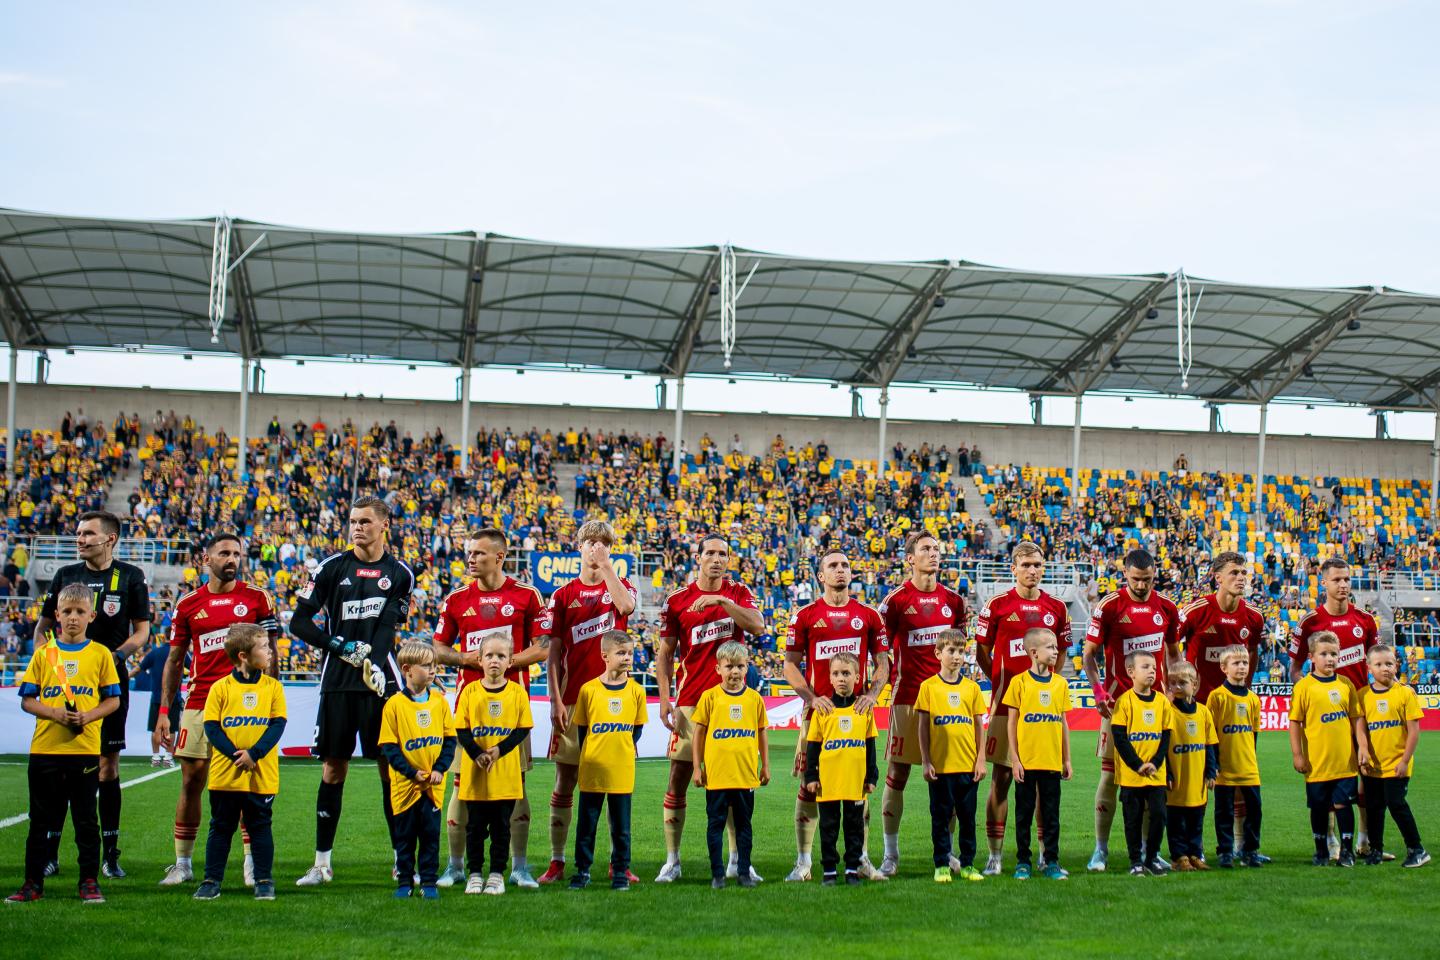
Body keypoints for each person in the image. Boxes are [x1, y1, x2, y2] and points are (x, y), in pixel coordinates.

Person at [289, 496, 416, 887]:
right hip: (338, 681)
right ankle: (322, 863)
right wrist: (341, 647)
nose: (357, 527)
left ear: (384, 527)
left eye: (364, 521)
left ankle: (401, 861)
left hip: (381, 681)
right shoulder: (331, 568)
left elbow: (387, 627)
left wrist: (374, 664)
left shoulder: (400, 573)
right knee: (332, 769)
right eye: (353, 521)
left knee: (390, 770)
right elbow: (299, 623)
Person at [156, 532, 279, 888]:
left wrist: (270, 694)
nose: (232, 559)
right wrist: (164, 710)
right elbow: (175, 660)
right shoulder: (188, 604)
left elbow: (271, 651)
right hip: (199, 702)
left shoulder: (257, 598)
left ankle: (252, 863)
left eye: (237, 554)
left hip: (247, 703)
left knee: (247, 779)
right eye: (224, 553)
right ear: (205, 559)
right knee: (192, 779)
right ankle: (183, 862)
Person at [33, 510, 151, 879]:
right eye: (78, 533)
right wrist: (49, 663)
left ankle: (109, 854)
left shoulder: (130, 576)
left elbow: (142, 632)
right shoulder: (65, 575)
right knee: (57, 768)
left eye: (87, 534)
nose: (80, 539)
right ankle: (49, 853)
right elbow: (42, 629)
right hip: (65, 685)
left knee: (107, 766)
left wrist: (113, 658)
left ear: (110, 539)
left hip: (107, 685)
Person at [432, 529, 549, 889]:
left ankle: (518, 866)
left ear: (499, 557)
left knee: (516, 789)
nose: (471, 559)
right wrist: (468, 659)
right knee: (460, 787)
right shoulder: (455, 600)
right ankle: (455, 866)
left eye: (479, 553)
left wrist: (502, 663)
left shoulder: (527, 595)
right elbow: (437, 648)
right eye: (469, 553)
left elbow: (542, 647)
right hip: (469, 710)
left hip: (512, 708)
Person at [655, 535, 764, 884]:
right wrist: (664, 698)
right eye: (710, 553)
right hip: (689, 702)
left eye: (723, 554)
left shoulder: (739, 593)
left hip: (732, 701)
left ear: (729, 559)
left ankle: (736, 861)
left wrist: (719, 600)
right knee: (678, 778)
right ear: (697, 557)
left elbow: (757, 626)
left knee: (733, 785)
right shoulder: (676, 601)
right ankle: (672, 860)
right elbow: (664, 653)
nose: (716, 560)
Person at [6, 584, 121, 904]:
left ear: (92, 616)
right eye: (67, 612)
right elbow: (28, 700)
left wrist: (89, 717)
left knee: (86, 819)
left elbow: (112, 700)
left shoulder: (99, 654)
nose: (73, 618)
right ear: (56, 615)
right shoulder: (45, 654)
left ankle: (88, 881)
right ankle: (32, 882)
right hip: (45, 750)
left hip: (83, 750)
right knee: (40, 820)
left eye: (80, 612)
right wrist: (55, 713)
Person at [783, 549, 890, 882]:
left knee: (860, 787)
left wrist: (872, 695)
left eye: (845, 565)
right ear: (821, 576)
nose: (841, 570)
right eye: (833, 566)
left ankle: (860, 859)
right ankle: (804, 862)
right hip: (819, 713)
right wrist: (813, 699)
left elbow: (883, 662)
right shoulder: (804, 615)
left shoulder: (869, 615)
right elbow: (789, 665)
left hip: (855, 712)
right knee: (809, 787)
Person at [540, 520, 637, 885]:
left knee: (614, 784)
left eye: (603, 543)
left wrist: (607, 566)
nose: (596, 548)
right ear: (578, 547)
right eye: (590, 542)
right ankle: (558, 860)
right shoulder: (563, 595)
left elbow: (626, 606)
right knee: (565, 781)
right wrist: (554, 699)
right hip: (573, 700)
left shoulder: (620, 587)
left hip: (615, 702)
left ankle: (619, 862)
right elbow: (554, 652)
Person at [1081, 548, 1181, 873]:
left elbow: (1174, 653)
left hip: (1155, 706)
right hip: (1118, 706)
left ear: (1155, 574)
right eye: (1136, 579)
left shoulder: (1166, 607)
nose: (1141, 585)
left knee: (1151, 780)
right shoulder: (1109, 606)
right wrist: (1098, 692)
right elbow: (1088, 655)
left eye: (1148, 579)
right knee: (1110, 777)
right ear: (1125, 573)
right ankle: (1100, 849)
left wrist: (1176, 688)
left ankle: (1147, 852)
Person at [975, 541, 1070, 876]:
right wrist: (1000, 682)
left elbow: (1061, 652)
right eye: (1026, 564)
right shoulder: (997, 605)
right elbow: (980, 651)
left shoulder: (1057, 607)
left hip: (1041, 708)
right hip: (1005, 708)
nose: (1032, 570)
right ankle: (996, 855)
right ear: (1013, 568)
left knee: (1045, 783)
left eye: (1038, 565)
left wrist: (1047, 685)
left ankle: (1046, 855)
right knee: (1000, 779)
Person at [876, 531, 967, 877]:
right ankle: (890, 854)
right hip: (908, 699)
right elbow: (881, 653)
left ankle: (947, 852)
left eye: (937, 549)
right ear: (910, 558)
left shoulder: (954, 602)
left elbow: (958, 648)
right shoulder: (895, 602)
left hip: (947, 702)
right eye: (926, 549)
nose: (933, 554)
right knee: (897, 775)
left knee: (949, 779)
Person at [1290, 557, 1379, 856]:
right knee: (1325, 778)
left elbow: (1376, 663)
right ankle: (1329, 842)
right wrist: (1310, 693)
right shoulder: (1310, 622)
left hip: (1360, 712)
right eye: (1336, 580)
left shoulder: (1365, 621)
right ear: (1324, 583)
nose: (1342, 585)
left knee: (1368, 777)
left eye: (1346, 579)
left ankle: (1365, 841)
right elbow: (1295, 669)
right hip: (1327, 717)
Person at [192, 624, 287, 901]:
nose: (270, 652)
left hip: (261, 773)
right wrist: (237, 755)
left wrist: (253, 754)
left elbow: (277, 725)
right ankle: (211, 880)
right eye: (264, 647)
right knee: (221, 827)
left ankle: (264, 880)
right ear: (244, 655)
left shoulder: (273, 687)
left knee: (260, 826)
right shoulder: (220, 688)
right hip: (226, 773)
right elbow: (211, 728)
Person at [453, 634, 534, 895]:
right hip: (476, 772)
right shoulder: (470, 692)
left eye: (501, 656)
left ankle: (497, 874)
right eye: (489, 655)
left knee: (501, 827)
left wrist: (499, 750)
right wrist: (477, 753)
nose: (495, 661)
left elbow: (522, 730)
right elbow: (462, 730)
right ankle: (474, 873)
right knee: (475, 827)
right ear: (480, 659)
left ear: (511, 661)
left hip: (505, 773)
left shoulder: (517, 693)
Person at [378, 642, 456, 899]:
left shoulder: (440, 703)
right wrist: (411, 773)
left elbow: (449, 741)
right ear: (407, 669)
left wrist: (439, 769)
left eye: (434, 665)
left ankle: (429, 883)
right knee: (405, 839)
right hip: (405, 787)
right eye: (426, 666)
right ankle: (404, 882)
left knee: (431, 838)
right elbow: (389, 748)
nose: (432, 670)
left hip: (433, 787)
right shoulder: (394, 705)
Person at [568, 631, 646, 891]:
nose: (627, 658)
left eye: (630, 653)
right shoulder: (588, 690)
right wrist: (593, 754)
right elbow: (583, 731)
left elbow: (637, 729)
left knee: (622, 828)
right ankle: (582, 871)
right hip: (592, 769)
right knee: (587, 825)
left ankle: (621, 872)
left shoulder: (637, 690)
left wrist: (620, 749)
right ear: (605, 656)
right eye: (621, 653)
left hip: (622, 769)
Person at [690, 640, 770, 889]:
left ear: (747, 668)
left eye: (740, 666)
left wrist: (765, 765)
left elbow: (761, 733)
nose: (734, 671)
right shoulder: (709, 697)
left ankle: (744, 872)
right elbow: (699, 734)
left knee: (745, 826)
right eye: (729, 666)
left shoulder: (755, 699)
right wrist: (696, 766)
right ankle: (717, 874)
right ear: (718, 669)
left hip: (745, 775)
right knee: (714, 825)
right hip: (717, 775)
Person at [915, 629, 987, 883]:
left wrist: (980, 760)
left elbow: (979, 726)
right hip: (940, 768)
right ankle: (942, 864)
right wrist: (925, 760)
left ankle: (967, 864)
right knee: (941, 818)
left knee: (968, 819)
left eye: (960, 651)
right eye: (951, 651)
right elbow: (923, 728)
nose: (957, 656)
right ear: (938, 653)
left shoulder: (972, 688)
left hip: (968, 766)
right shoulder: (928, 687)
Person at [1289, 631, 1364, 867]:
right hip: (1317, 764)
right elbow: (1295, 722)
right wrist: (1298, 754)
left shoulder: (1346, 684)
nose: (1330, 658)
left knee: (1343, 805)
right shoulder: (1304, 687)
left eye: (1334, 654)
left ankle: (1347, 852)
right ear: (1312, 657)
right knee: (1319, 808)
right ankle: (1321, 851)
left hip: (1344, 762)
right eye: (1324, 654)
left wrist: (1362, 746)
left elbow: (1356, 719)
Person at [1001, 627, 1071, 880]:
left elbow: (1063, 722)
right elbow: (1012, 723)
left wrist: (1067, 759)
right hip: (1026, 763)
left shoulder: (1060, 684)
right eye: (1050, 647)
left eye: (1055, 647)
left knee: (1052, 814)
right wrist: (1015, 759)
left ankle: (1051, 861)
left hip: (1052, 761)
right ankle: (1023, 862)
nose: (1056, 651)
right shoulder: (1019, 682)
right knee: (1023, 814)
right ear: (1033, 652)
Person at [803, 652, 879, 886]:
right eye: (836, 674)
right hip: (828, 783)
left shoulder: (863, 709)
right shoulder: (823, 710)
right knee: (828, 827)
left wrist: (871, 775)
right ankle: (828, 869)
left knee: (854, 827)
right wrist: (811, 776)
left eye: (846, 673)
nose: (841, 678)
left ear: (857, 677)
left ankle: (852, 869)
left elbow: (870, 746)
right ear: (831, 678)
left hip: (855, 782)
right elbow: (813, 747)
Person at [1355, 644, 1429, 867]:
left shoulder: (1405, 693)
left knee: (1396, 804)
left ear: (1396, 664)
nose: (1385, 668)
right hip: (1373, 767)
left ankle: (1417, 849)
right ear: (1369, 667)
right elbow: (1360, 727)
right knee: (1375, 807)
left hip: (1397, 764)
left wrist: (1405, 760)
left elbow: (1414, 731)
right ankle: (1376, 850)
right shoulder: (1363, 695)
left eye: (1389, 663)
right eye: (1378, 664)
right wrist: (1363, 750)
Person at [1109, 651, 1172, 876]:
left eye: (1154, 667)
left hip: (1156, 772)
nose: (1152, 671)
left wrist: (1155, 763)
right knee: (1132, 819)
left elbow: (1166, 738)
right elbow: (1120, 739)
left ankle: (1152, 857)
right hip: (1131, 774)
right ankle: (1135, 860)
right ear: (1131, 672)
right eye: (1146, 667)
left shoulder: (1162, 702)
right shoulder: (1124, 702)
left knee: (1159, 815)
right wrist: (1137, 765)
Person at [1177, 551, 1265, 704]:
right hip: (1197, 701)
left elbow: (1252, 650)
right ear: (1218, 578)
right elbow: (1168, 644)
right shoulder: (1195, 610)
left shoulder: (1255, 615)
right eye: (1234, 573)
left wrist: (1247, 686)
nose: (1241, 578)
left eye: (1243, 573)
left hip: (1234, 700)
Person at [1206, 645, 1264, 867]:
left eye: (1245, 663)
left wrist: (1252, 758)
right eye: (1236, 663)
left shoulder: (1253, 699)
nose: (1241, 667)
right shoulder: (1217, 697)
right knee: (1224, 812)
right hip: (1225, 768)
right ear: (1224, 667)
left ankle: (1250, 850)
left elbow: (1254, 734)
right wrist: (1214, 764)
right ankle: (1225, 852)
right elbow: (1211, 736)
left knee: (1254, 811)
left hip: (1248, 767)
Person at [1165, 662, 1217, 871]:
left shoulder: (1204, 712)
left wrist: (1211, 771)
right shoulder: (1167, 712)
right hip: (1176, 780)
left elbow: (1210, 745)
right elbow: (1162, 746)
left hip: (1198, 780)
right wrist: (1167, 772)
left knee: (1196, 821)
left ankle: (1195, 854)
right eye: (1173, 683)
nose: (1177, 687)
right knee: (1176, 822)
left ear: (1194, 685)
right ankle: (1179, 857)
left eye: (1182, 683)